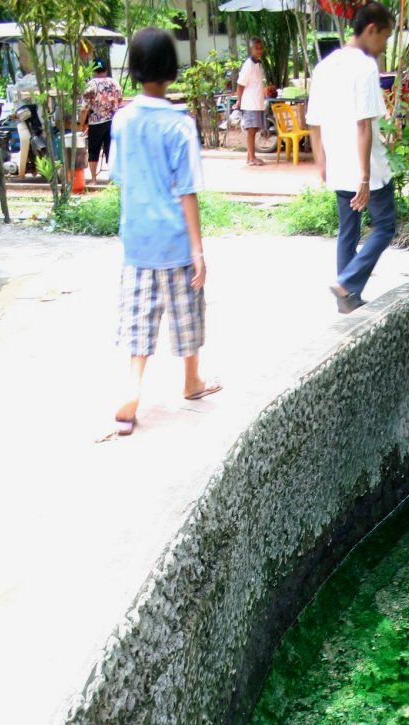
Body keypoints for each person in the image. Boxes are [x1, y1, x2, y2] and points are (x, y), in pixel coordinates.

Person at [108, 28, 221, 436]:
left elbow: (119, 175)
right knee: (187, 313)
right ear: (171, 71)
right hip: (174, 239)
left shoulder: (122, 120)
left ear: (135, 69)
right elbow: (187, 190)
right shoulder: (179, 125)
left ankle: (132, 388)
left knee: (140, 318)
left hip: (137, 240)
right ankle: (192, 381)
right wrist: (198, 250)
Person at [306, 3, 396, 314]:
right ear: (371, 29)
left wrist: (322, 162)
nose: (384, 46)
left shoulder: (325, 66)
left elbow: (313, 123)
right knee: (385, 225)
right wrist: (365, 178)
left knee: (349, 229)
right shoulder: (365, 67)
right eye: (385, 36)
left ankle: (348, 298)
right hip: (364, 167)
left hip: (337, 164)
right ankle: (347, 284)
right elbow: (363, 126)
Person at [79, 60, 123, 184]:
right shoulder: (114, 83)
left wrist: (81, 125)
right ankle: (112, 179)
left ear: (93, 71)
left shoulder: (90, 85)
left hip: (96, 122)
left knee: (94, 150)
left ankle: (93, 179)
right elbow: (120, 99)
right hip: (112, 121)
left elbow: (84, 109)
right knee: (110, 149)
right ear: (105, 70)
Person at [234, 37, 267, 166]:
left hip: (257, 102)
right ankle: (252, 158)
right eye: (256, 48)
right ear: (251, 49)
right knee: (251, 131)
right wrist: (238, 101)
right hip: (250, 103)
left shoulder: (258, 64)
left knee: (254, 130)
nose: (259, 50)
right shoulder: (248, 65)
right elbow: (240, 84)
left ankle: (250, 157)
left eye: (261, 48)